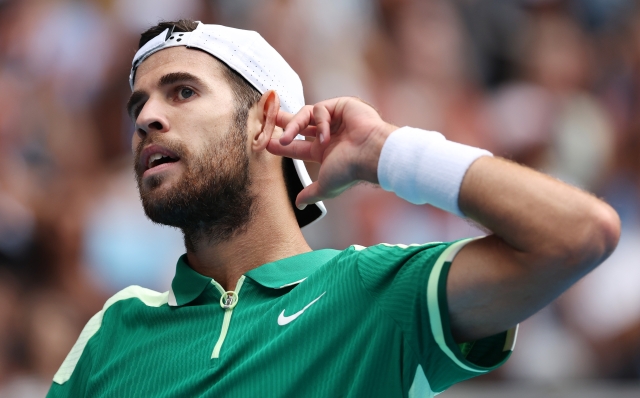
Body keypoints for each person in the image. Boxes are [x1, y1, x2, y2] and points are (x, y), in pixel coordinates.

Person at [46, 20, 620, 397]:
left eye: (183, 92)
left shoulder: (375, 292)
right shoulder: (113, 332)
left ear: (265, 119)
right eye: (138, 105)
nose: (146, 118)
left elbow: (579, 233)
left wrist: (388, 153)